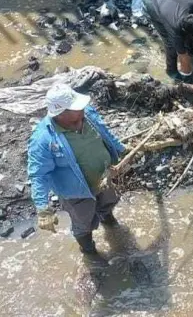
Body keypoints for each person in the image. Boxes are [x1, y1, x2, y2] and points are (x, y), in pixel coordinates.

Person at [28, 84, 126, 264]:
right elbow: (38, 175)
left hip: (104, 178)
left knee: (109, 202)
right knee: (83, 224)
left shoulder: (85, 112)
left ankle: (109, 221)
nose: (81, 116)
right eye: (74, 116)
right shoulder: (43, 139)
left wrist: (121, 150)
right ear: (59, 114)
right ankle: (89, 252)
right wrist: (43, 209)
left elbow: (105, 132)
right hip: (77, 193)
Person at [144, 0, 193, 83]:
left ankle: (190, 49)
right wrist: (187, 76)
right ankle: (171, 71)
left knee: (188, 35)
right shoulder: (175, 31)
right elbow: (183, 58)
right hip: (152, 2)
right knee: (170, 44)